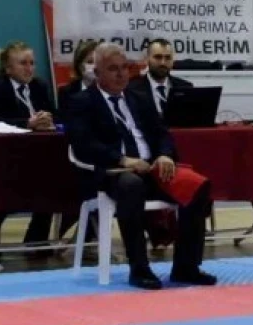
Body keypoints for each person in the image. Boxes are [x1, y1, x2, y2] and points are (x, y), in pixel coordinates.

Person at [66, 43, 217, 289]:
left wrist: (165, 155)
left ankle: (186, 267)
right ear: (98, 72)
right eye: (113, 69)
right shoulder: (81, 101)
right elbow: (83, 144)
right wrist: (122, 159)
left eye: (124, 68)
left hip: (152, 168)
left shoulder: (139, 97)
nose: (121, 74)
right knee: (131, 185)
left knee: (198, 186)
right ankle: (140, 268)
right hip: (113, 172)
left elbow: (162, 134)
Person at [0, 41, 66, 252]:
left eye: (32, 63)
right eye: (23, 63)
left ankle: (36, 239)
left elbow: (54, 112)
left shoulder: (39, 86)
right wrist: (27, 123)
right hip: (6, 158)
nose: (29, 68)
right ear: (8, 68)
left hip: (39, 156)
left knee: (55, 184)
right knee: (8, 190)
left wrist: (49, 119)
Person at [127, 38, 193, 125]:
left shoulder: (186, 87)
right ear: (147, 59)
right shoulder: (132, 89)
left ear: (173, 60)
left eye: (168, 58)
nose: (163, 63)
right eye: (158, 57)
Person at [57, 39, 99, 117]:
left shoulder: (111, 90)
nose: (95, 66)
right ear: (79, 66)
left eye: (98, 62)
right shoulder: (66, 92)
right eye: (90, 62)